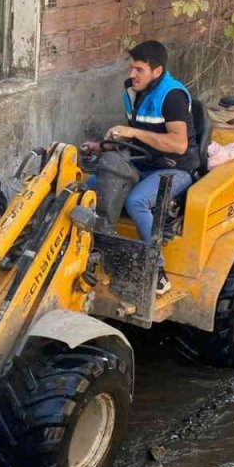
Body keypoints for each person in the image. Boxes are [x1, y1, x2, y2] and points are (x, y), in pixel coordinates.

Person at [88, 40, 198, 296]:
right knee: (91, 186)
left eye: (139, 69)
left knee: (136, 201)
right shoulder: (135, 92)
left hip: (175, 168)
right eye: (131, 68)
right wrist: (100, 147)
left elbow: (179, 145)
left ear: (157, 71)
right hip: (143, 163)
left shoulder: (173, 96)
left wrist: (131, 131)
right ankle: (94, 251)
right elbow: (133, 136)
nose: (132, 74)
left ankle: (157, 273)